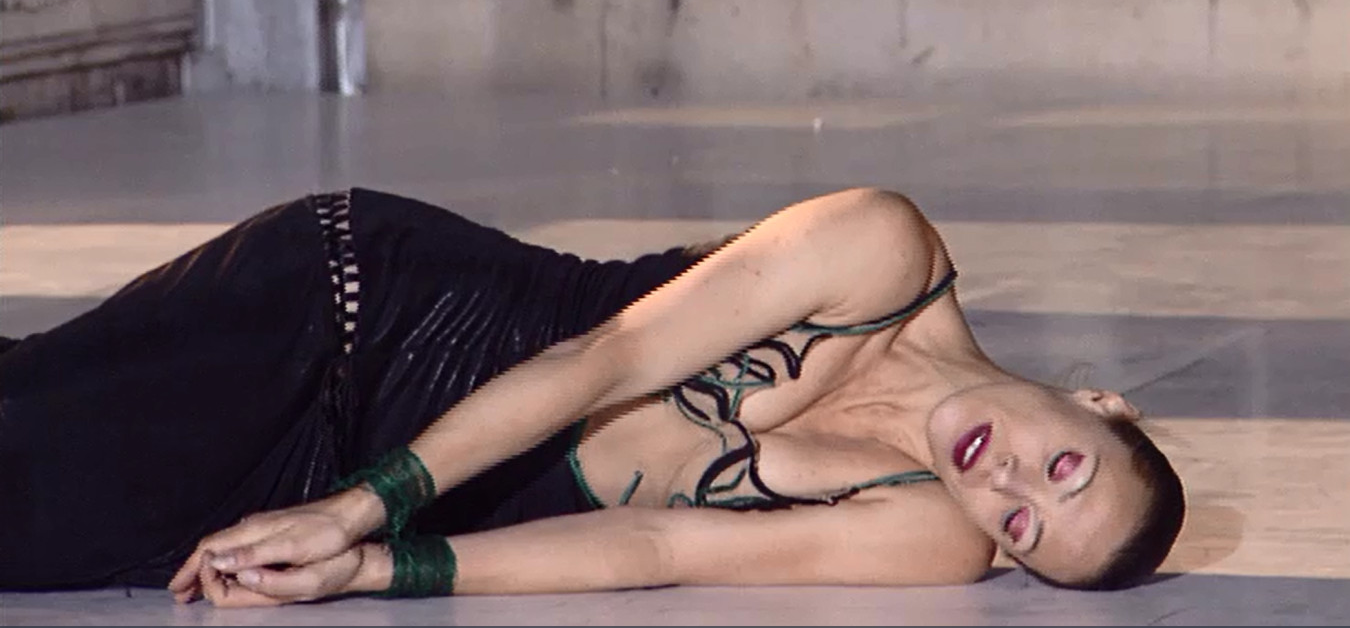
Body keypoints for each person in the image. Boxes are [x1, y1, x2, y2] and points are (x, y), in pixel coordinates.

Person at [0, 187, 1184, 606]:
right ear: (1100, 401)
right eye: (1063, 465)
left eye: (1024, 524)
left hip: (362, 483)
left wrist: (373, 564)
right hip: (360, 318)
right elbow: (602, 361)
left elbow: (656, 544)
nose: (1009, 482)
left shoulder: (930, 533)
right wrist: (362, 506)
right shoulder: (881, 248)